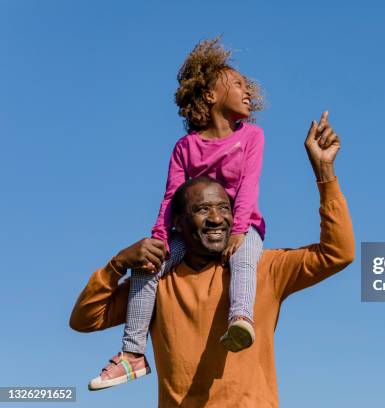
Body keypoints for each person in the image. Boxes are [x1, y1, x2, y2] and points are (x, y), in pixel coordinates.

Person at [70, 112, 355, 407]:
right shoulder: (157, 282)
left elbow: (338, 253)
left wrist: (325, 173)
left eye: (224, 208)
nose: (217, 218)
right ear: (178, 223)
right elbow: (84, 319)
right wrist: (116, 265)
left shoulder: (264, 268)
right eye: (202, 210)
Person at [87, 38, 267, 390]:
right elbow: (172, 197)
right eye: (238, 85)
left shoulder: (252, 137)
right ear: (210, 96)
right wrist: (158, 240)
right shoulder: (185, 147)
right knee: (148, 267)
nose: (248, 92)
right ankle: (133, 354)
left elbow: (249, 185)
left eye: (248, 88)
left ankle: (240, 318)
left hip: (243, 227)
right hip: (190, 233)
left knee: (245, 260)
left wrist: (239, 230)